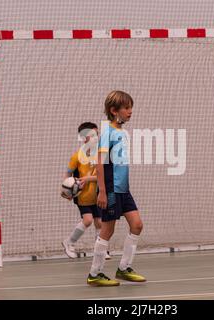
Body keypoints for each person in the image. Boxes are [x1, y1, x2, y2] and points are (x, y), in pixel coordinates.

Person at [87, 90, 146, 286]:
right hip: (110, 189)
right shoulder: (107, 133)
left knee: (137, 225)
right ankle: (95, 273)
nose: (130, 111)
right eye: (126, 108)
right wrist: (102, 191)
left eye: (131, 108)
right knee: (107, 231)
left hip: (123, 189)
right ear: (114, 111)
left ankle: (123, 268)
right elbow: (101, 163)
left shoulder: (122, 132)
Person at [61, 122, 111, 259]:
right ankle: (69, 242)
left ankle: (100, 249)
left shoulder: (102, 155)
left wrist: (88, 179)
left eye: (97, 134)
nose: (96, 138)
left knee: (99, 222)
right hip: (83, 196)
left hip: (98, 194)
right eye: (91, 135)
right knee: (88, 220)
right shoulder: (76, 156)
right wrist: (66, 190)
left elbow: (103, 176)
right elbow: (67, 175)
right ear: (84, 138)